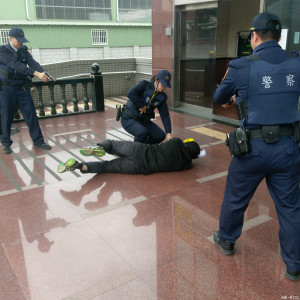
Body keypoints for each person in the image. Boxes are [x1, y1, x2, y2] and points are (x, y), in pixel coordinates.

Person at [213, 12, 300, 282]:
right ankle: (294, 265)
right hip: (288, 147)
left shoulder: (242, 65)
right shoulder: (296, 63)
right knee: (290, 207)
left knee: (236, 197)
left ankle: (226, 240)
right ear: (279, 36)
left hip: (252, 148)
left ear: (255, 37)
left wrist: (238, 94)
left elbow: (219, 97)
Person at [0, 27, 51, 154]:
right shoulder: (2, 51)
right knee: (6, 116)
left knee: (31, 115)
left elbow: (32, 63)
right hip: (7, 89)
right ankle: (5, 143)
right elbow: (16, 65)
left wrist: (43, 72)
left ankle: (38, 141)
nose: (21, 43)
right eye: (19, 40)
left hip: (22, 87)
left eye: (22, 40)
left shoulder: (23, 50)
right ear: (10, 38)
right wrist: (36, 74)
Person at [57, 138, 203, 175]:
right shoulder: (185, 165)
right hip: (139, 167)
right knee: (106, 167)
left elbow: (173, 142)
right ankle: (78, 166)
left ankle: (100, 147)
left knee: (113, 144)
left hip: (139, 150)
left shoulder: (176, 142)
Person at [119, 69, 173, 144]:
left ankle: (145, 150)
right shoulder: (145, 85)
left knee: (160, 135)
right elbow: (130, 93)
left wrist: (168, 132)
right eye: (162, 84)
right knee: (142, 133)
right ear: (156, 80)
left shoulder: (162, 97)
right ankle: (135, 152)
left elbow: (165, 115)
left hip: (143, 120)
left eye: (165, 85)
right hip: (129, 118)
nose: (164, 87)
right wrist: (142, 105)